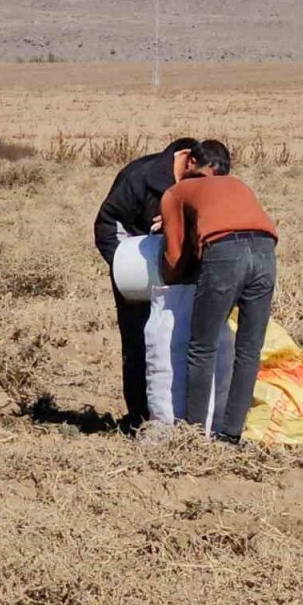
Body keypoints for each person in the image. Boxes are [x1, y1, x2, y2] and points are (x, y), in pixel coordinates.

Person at [160, 140, 279, 443]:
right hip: (266, 252)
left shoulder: (176, 192)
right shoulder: (238, 185)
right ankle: (231, 435)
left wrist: (170, 275)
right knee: (249, 350)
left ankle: (194, 436)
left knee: (202, 347)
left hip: (226, 253)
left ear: (192, 165)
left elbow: (174, 258)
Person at [94, 137, 201, 429]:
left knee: (185, 342)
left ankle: (184, 417)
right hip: (136, 275)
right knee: (139, 345)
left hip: (184, 276)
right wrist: (125, 261)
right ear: (187, 159)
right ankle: (141, 419)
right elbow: (106, 223)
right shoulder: (138, 176)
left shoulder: (201, 179)